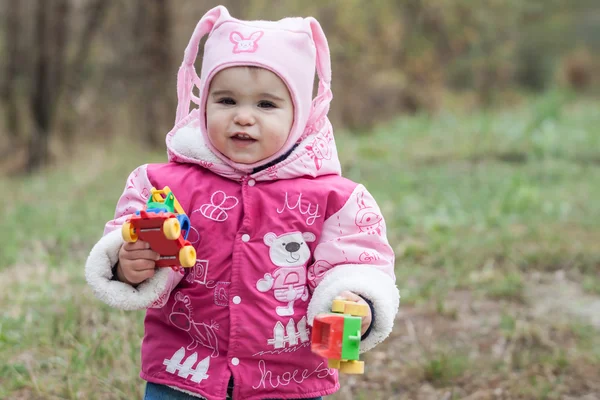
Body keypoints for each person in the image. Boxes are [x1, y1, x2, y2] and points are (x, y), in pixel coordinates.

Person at [85, 5, 399, 400]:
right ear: (203, 105)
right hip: (184, 371)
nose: (244, 117)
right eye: (227, 100)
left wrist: (356, 297)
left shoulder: (335, 198)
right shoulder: (162, 184)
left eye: (266, 105)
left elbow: (359, 260)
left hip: (288, 380)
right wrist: (128, 263)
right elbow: (131, 235)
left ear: (300, 116)